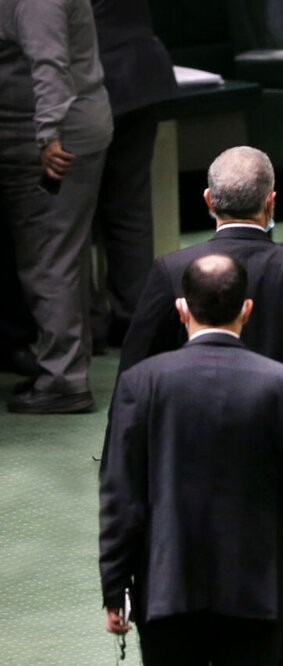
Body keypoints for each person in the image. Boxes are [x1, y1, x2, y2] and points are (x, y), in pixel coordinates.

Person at [118, 146, 283, 663]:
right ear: (271, 203)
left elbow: (131, 387)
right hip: (275, 463)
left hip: (182, 466)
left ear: (208, 200)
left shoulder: (172, 271)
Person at [99, 254, 283, 665]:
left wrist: (115, 587)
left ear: (181, 308)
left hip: (167, 591)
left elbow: (122, 497)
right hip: (256, 593)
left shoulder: (141, 383)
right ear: (247, 309)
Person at [1, 0, 114, 413]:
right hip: (63, 131)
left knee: (50, 258)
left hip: (56, 142)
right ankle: (64, 365)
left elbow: (50, 63)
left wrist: (49, 135)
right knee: (63, 253)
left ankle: (63, 380)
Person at [90, 0, 177, 349]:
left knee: (71, 217)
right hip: (140, 74)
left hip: (89, 83)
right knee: (131, 210)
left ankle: (87, 326)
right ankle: (133, 322)